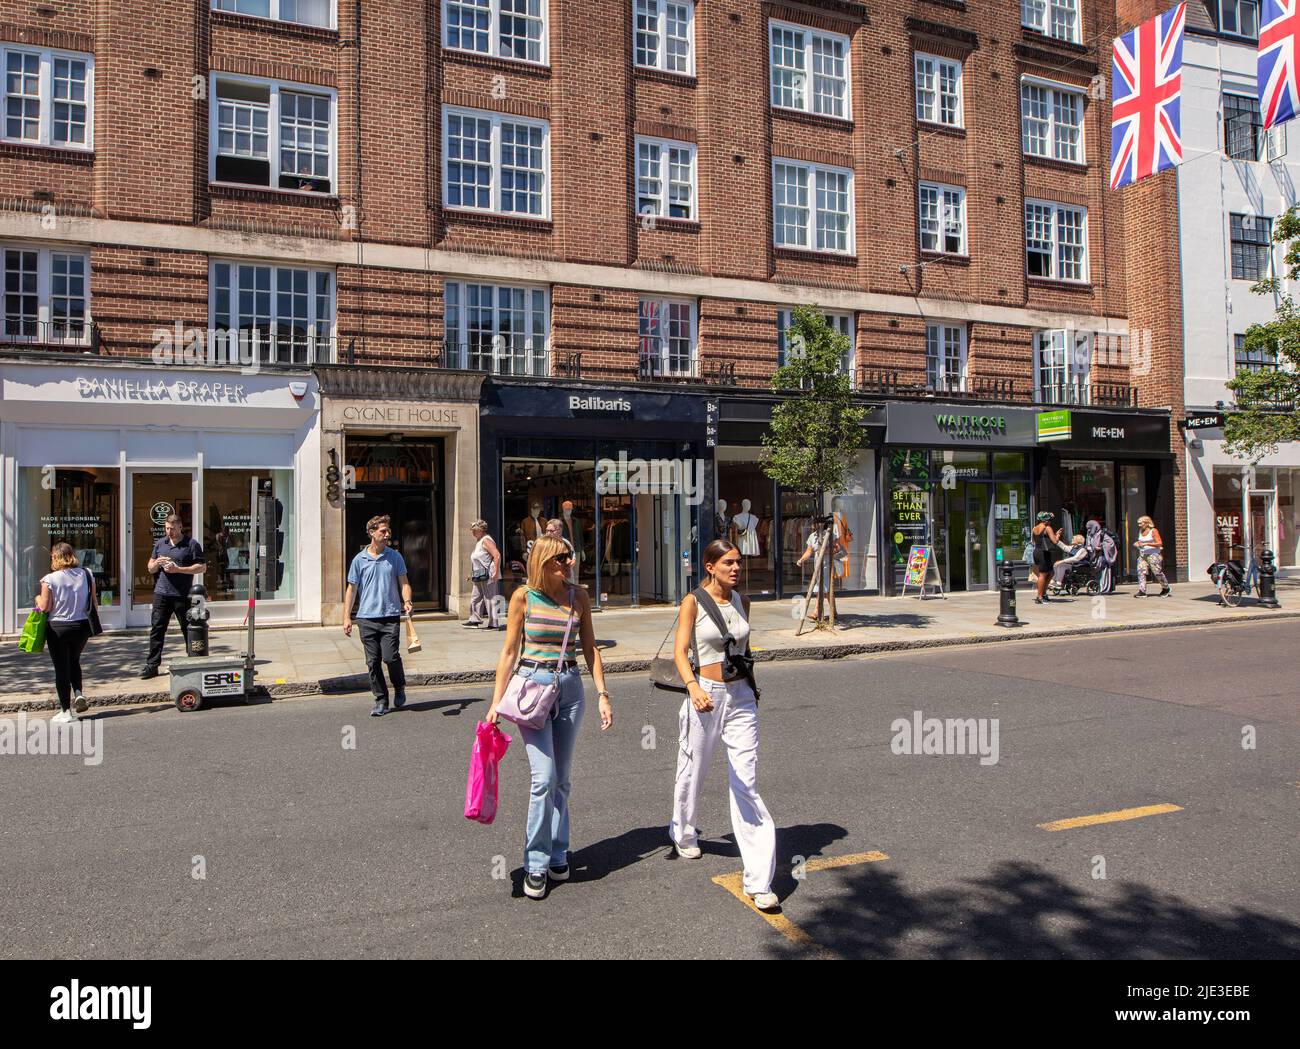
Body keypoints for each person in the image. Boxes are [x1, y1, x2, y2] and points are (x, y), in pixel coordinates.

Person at [486, 535, 612, 901]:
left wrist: (603, 694)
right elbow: (509, 652)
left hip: (570, 689)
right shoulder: (523, 597)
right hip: (531, 689)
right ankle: (536, 863)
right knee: (543, 778)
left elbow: (590, 648)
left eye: (569, 556)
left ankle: (559, 852)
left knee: (563, 780)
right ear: (542, 560)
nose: (567, 562)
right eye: (560, 558)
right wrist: (496, 702)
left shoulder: (579, 596)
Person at [669, 540, 778, 912]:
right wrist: (693, 686)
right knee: (692, 770)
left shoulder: (744, 602)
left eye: (739, 562)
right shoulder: (693, 602)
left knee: (746, 782)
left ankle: (759, 880)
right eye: (728, 562)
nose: (736, 568)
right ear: (710, 565)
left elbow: (743, 649)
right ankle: (683, 831)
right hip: (706, 695)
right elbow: (680, 652)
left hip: (741, 698)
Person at [343, 515, 414, 716]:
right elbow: (351, 589)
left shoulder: (395, 557)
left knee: (390, 658)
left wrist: (407, 601)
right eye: (383, 531)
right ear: (372, 533)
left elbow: (404, 583)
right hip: (366, 618)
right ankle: (381, 700)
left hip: (390, 616)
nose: (387, 534)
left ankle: (399, 685)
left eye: (388, 531)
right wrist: (346, 617)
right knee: (372, 662)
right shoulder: (359, 560)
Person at [139, 513, 205, 679]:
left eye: (173, 529)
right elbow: (150, 567)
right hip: (162, 593)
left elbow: (202, 567)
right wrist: (157, 564)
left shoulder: (191, 544)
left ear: (180, 526)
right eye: (167, 529)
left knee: (187, 629)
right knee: (157, 629)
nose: (170, 532)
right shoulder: (160, 543)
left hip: (182, 594)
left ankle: (194, 661)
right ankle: (152, 665)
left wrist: (178, 569)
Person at [35, 543, 95, 723]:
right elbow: (94, 603)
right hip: (81, 626)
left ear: (55, 557)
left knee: (61, 668)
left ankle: (65, 710)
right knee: (74, 660)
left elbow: (45, 607)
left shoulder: (49, 579)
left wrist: (37, 598)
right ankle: (78, 692)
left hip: (58, 628)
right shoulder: (87, 574)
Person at [465, 519, 503, 629]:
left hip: (488, 574)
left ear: (481, 530)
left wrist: (495, 572)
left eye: (474, 530)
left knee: (490, 598)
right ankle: (474, 620)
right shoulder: (480, 541)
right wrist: (471, 574)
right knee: (475, 597)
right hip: (479, 574)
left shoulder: (486, 540)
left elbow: (497, 555)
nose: (472, 532)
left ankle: (494, 623)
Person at [1133, 515, 1172, 597]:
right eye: (1139, 523)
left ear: (1147, 523)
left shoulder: (1153, 531)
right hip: (1143, 555)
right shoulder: (1140, 530)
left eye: (1141, 523)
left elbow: (1159, 543)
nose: (1139, 525)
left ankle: (1166, 588)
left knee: (1157, 572)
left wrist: (1147, 543)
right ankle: (1142, 591)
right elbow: (1141, 541)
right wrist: (1138, 543)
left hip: (1154, 554)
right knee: (1141, 571)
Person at [1031, 511, 1060, 604]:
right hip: (1044, 552)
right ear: (1046, 521)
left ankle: (1043, 593)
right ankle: (1039, 597)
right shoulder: (1047, 528)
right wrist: (1058, 535)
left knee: (1050, 572)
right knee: (1043, 574)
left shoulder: (1034, 528)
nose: (1050, 522)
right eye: (1049, 520)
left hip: (1037, 551)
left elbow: (1033, 541)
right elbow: (1055, 541)